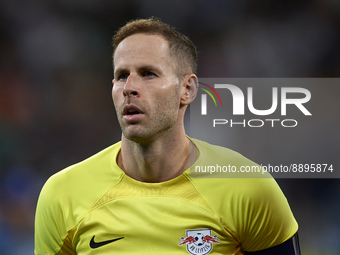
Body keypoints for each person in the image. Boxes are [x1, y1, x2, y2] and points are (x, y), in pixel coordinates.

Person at [35, 17, 301, 255]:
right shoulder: (62, 194)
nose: (130, 88)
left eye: (148, 74)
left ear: (188, 89)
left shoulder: (249, 188)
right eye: (121, 76)